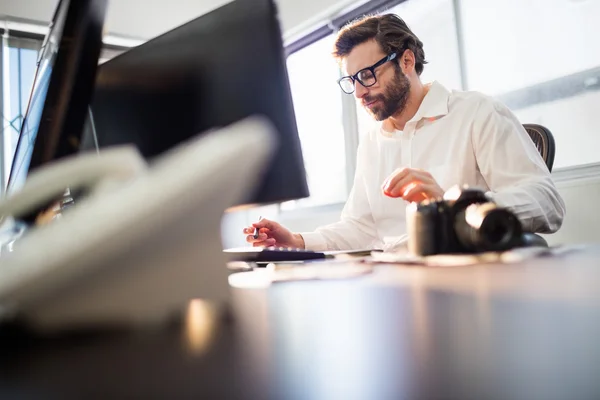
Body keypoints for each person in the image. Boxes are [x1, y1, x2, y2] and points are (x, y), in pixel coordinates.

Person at [243, 14, 565, 252]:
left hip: (467, 281)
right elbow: (361, 227)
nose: (359, 93)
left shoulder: (476, 113)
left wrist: (455, 205)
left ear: (407, 60)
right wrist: (297, 241)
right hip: (395, 287)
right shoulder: (373, 141)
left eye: (367, 75)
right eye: (352, 81)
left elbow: (547, 203)